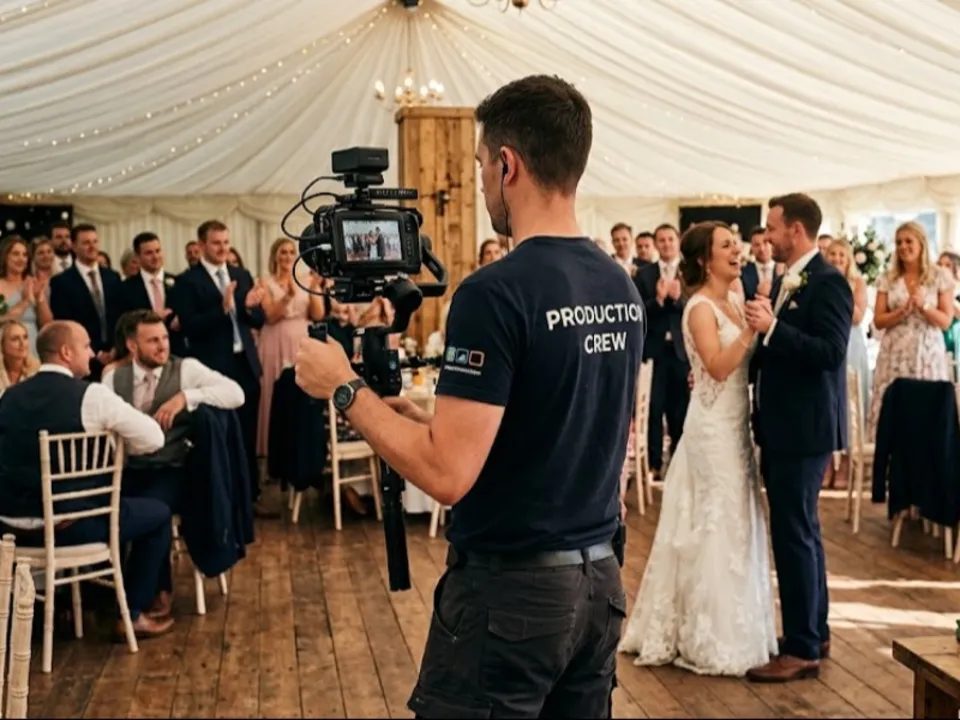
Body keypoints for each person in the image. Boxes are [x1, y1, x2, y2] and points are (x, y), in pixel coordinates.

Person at [293, 74, 644, 718]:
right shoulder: (618, 284)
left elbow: (447, 475)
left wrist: (342, 387)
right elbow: (569, 420)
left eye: (482, 164)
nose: (482, 182)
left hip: (513, 596)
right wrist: (430, 418)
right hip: (599, 584)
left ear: (508, 165)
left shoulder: (494, 291)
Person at [619, 221, 777, 676]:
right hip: (710, 431)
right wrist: (750, 332)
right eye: (727, 246)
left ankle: (741, 627)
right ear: (706, 260)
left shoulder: (735, 300)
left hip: (737, 427)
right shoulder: (699, 308)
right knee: (714, 522)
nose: (737, 251)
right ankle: (706, 636)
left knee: (738, 521)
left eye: (736, 244)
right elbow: (718, 366)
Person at [0, 321, 174, 638]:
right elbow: (154, 438)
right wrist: (114, 444)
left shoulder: (9, 397)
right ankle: (132, 613)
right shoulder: (91, 396)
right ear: (66, 352)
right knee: (158, 513)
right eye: (86, 346)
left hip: (10, 529)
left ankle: (82, 601)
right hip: (67, 529)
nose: (92, 353)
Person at [744, 194, 853, 682]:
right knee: (802, 531)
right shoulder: (791, 279)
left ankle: (802, 647)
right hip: (784, 424)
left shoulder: (827, 282)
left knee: (794, 536)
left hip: (803, 429)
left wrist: (773, 329)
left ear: (796, 230)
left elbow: (830, 352)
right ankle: (815, 631)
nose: (767, 237)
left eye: (772, 228)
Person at [102, 310, 244, 616]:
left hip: (172, 469)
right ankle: (108, 593)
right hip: (127, 469)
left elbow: (236, 394)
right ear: (132, 346)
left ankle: (152, 594)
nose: (162, 346)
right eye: (152, 340)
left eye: (164, 338)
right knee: (99, 505)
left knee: (153, 508)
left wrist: (185, 398)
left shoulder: (186, 369)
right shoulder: (113, 378)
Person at [171, 220, 275, 518]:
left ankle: (251, 496)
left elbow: (258, 321)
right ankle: (222, 500)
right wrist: (223, 308)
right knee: (219, 435)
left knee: (247, 434)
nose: (223, 248)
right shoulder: (187, 281)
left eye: (226, 242)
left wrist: (250, 306)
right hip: (213, 369)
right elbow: (189, 326)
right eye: (216, 243)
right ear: (202, 245)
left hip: (245, 364)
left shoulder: (241, 275)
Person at [634, 223, 690, 480]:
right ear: (656, 244)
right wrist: (657, 300)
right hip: (655, 351)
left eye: (670, 239)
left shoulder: (689, 271)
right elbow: (637, 312)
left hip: (681, 351)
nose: (666, 244)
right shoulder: (645, 274)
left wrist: (678, 299)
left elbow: (698, 306)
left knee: (680, 410)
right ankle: (654, 463)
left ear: (678, 242)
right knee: (654, 408)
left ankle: (678, 465)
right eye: (662, 240)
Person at [49, 223, 123, 381]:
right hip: (82, 358)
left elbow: (120, 315)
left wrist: (115, 348)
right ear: (74, 246)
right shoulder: (61, 282)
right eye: (86, 242)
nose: (92, 246)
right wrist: (95, 351)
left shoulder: (113, 277)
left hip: (115, 356)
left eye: (95, 241)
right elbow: (66, 322)